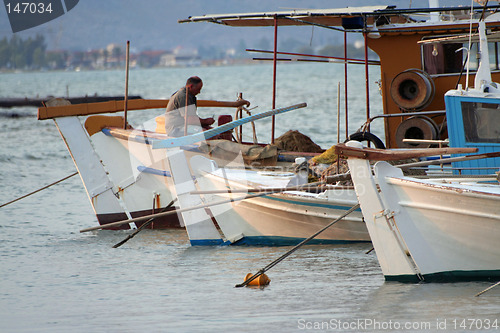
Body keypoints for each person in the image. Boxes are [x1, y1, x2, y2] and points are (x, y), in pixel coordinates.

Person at [165, 76, 250, 137]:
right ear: (190, 86)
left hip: (184, 126)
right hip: (176, 129)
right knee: (210, 135)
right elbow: (190, 120)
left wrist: (206, 124)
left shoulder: (188, 95)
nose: (199, 92)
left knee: (215, 131)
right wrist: (206, 121)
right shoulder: (183, 96)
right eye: (198, 89)